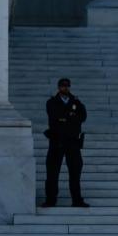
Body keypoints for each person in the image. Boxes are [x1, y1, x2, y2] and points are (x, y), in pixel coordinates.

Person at [42, 77, 88, 208]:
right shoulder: (51, 102)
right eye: (63, 85)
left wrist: (66, 118)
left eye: (67, 85)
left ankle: (77, 200)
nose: (65, 87)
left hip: (73, 143)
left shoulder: (76, 102)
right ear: (58, 87)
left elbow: (83, 117)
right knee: (52, 173)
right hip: (57, 142)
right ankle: (50, 200)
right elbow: (54, 117)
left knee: (75, 173)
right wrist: (72, 117)